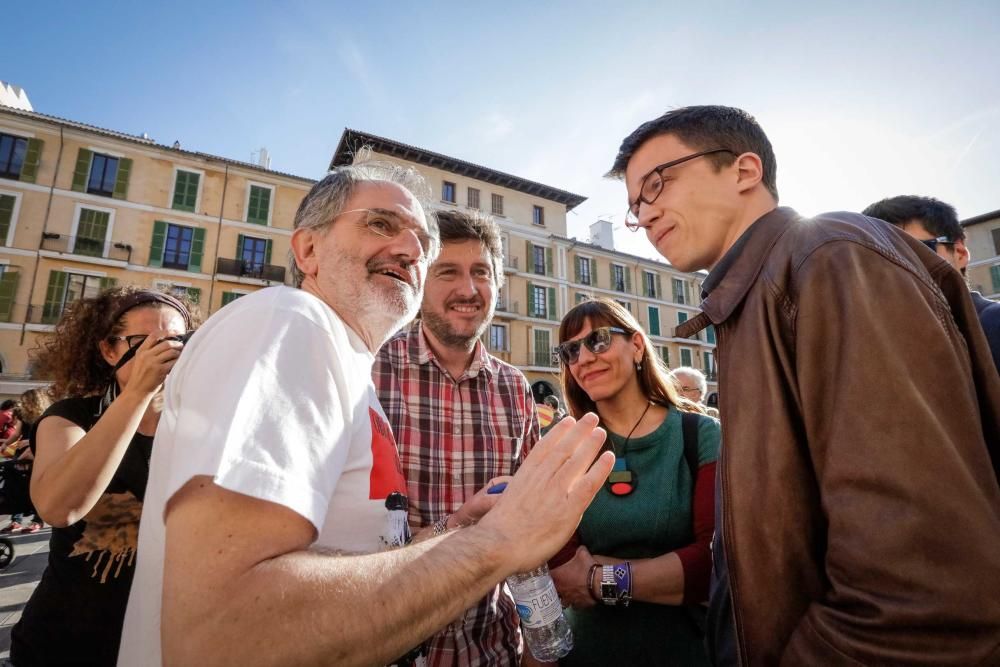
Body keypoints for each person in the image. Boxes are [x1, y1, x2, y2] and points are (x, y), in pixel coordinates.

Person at [117, 161, 614, 666]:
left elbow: (362, 555)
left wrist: (459, 525)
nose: (409, 248)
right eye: (380, 223)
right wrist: (497, 542)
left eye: (422, 242)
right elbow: (219, 638)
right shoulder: (287, 323)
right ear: (308, 249)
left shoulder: (347, 362)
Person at [609, 104, 1000, 664]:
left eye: (657, 184)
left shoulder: (831, 259)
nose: (644, 216)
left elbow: (923, 589)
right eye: (633, 206)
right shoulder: (763, 291)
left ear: (744, 170)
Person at [373, 209, 539, 666]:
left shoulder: (516, 389)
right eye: (448, 272)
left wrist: (539, 643)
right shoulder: (370, 372)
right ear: (420, 280)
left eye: (481, 273)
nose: (468, 290)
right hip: (392, 650)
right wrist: (460, 522)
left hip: (497, 650)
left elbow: (528, 533)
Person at [9, 287, 194, 666]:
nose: (162, 354)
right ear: (109, 351)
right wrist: (138, 392)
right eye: (142, 342)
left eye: (176, 341)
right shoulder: (71, 416)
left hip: (162, 644)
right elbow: (59, 508)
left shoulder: (201, 422)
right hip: (65, 643)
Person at [549, 298, 719, 666]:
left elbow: (710, 565)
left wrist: (595, 578)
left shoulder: (702, 435)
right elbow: (560, 565)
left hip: (686, 653)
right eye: (571, 350)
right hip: (586, 654)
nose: (584, 358)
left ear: (637, 345)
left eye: (598, 340)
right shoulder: (564, 447)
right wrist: (663, 573)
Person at [862, 195, 1000, 375]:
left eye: (915, 252)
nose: (895, 272)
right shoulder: (876, 348)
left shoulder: (994, 324)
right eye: (874, 262)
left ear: (959, 252)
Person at [0, 389, 51, 534]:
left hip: (37, 453)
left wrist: (29, 442)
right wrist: (5, 445)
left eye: (26, 401)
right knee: (16, 485)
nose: (23, 404)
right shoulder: (23, 414)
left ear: (35, 401)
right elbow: (16, 434)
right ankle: (16, 521)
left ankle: (37, 521)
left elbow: (45, 435)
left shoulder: (46, 416)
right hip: (22, 453)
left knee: (35, 487)